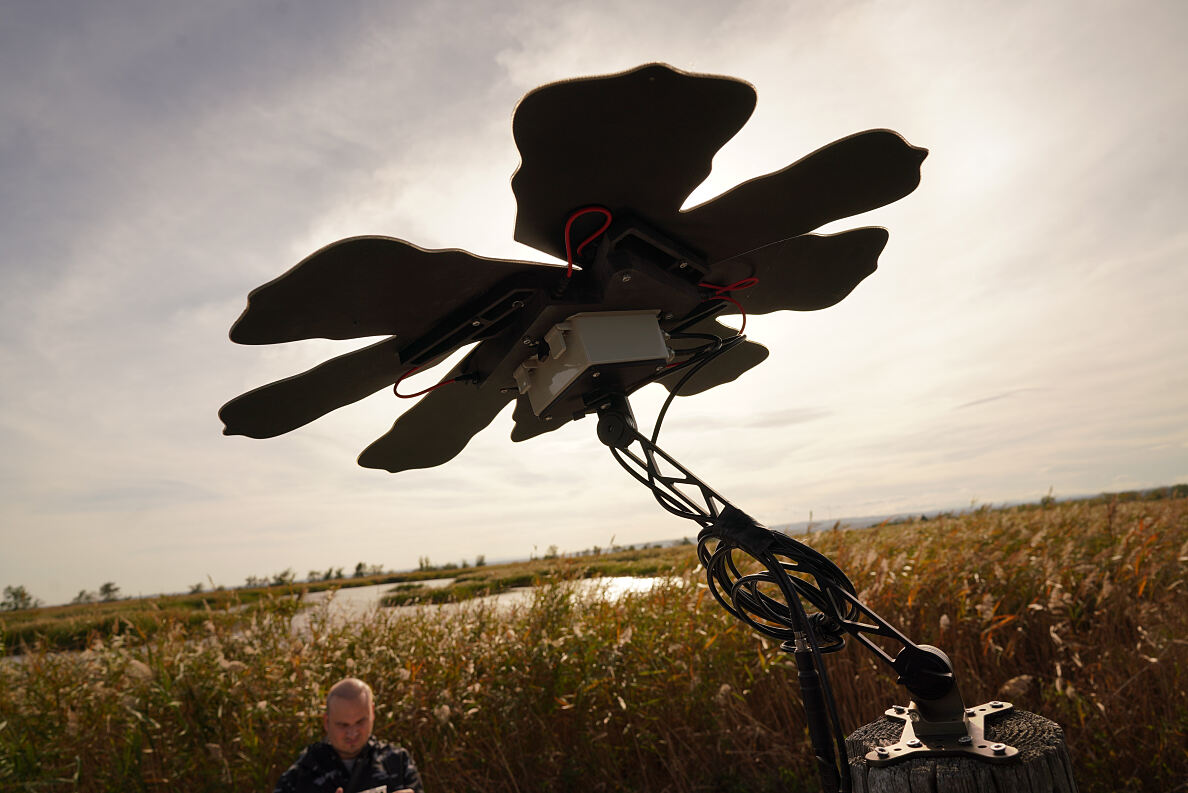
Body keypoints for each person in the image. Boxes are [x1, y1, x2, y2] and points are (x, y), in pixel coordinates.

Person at [273, 677, 424, 793]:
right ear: (327, 721)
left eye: (360, 722)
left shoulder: (397, 762)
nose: (352, 733)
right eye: (343, 725)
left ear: (372, 713)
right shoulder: (304, 770)